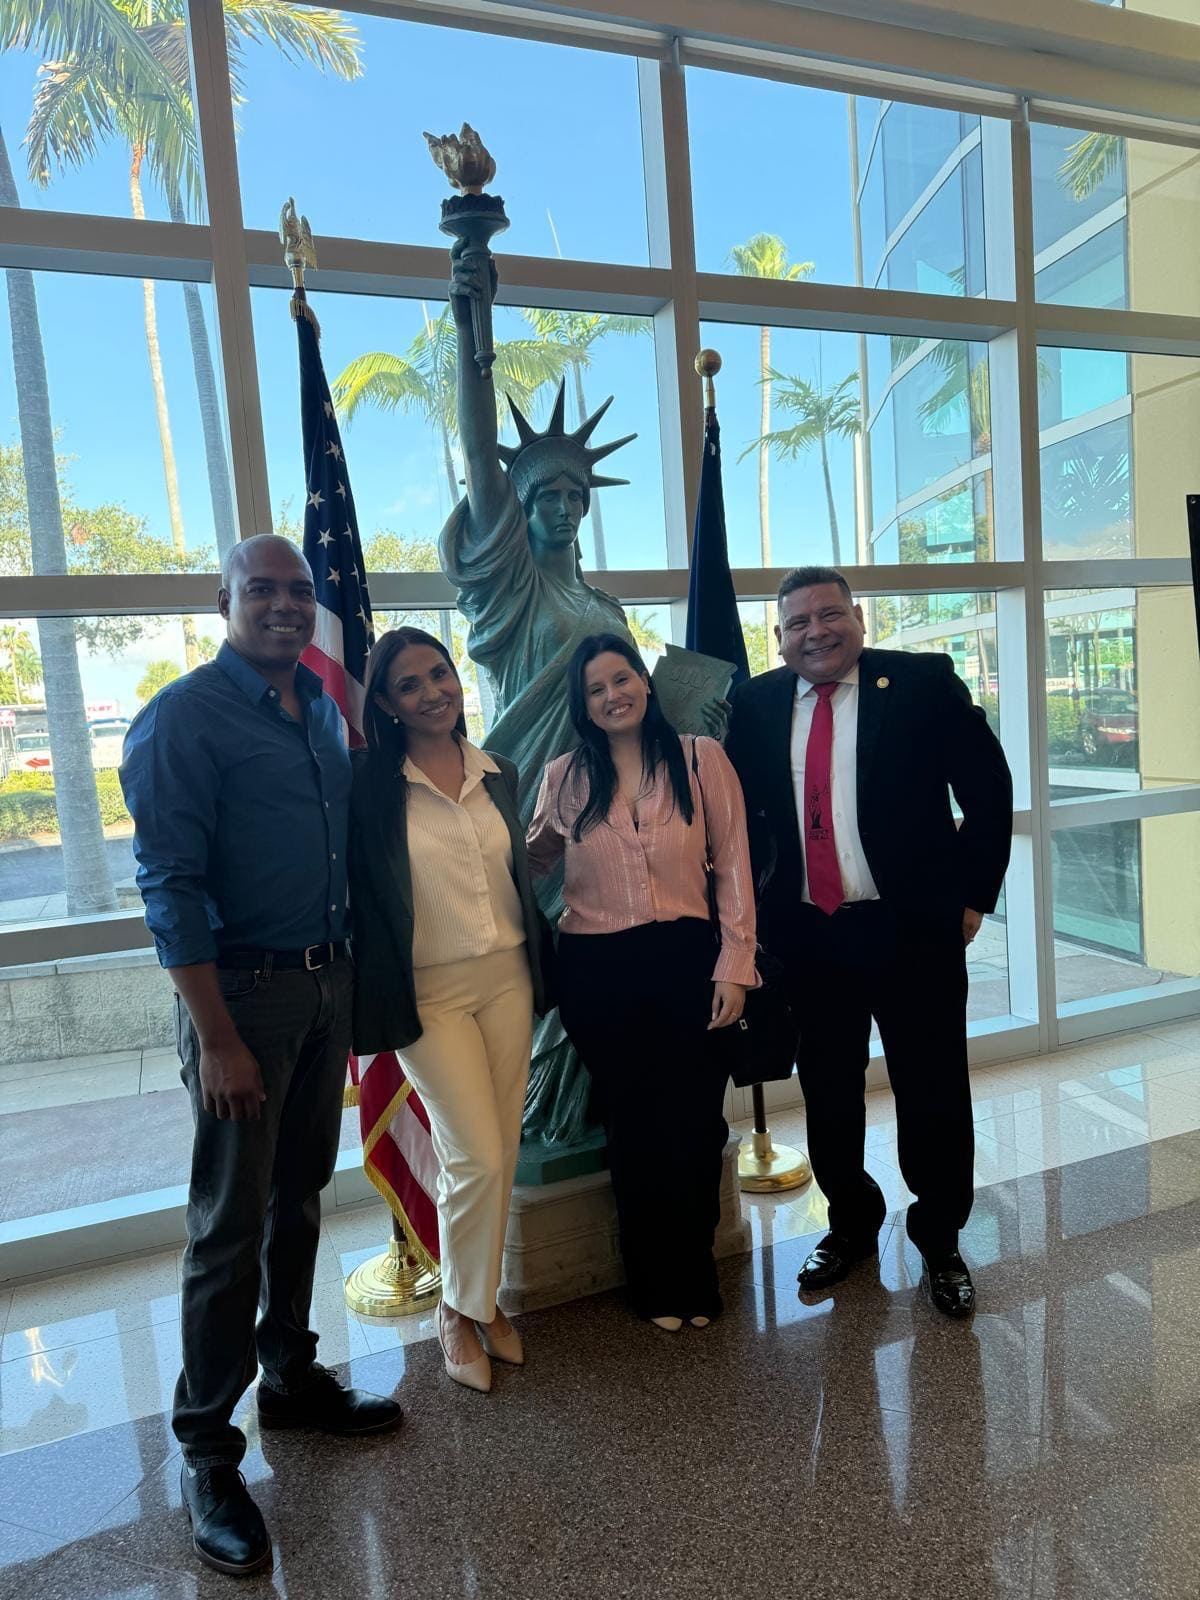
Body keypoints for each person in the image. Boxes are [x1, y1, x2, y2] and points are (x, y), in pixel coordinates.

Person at [119, 535, 401, 1580]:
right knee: (226, 1229)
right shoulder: (182, 719)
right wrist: (218, 1039)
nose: (284, 604)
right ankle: (207, 1450)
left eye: (298, 590)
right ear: (224, 599)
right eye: (262, 589)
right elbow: (170, 887)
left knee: (300, 1199)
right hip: (241, 1001)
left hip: (327, 988)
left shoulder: (321, 709)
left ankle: (290, 1376)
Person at [725, 567, 1013, 1318]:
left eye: (830, 615)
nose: (816, 632)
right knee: (827, 1088)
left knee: (932, 1088)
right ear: (779, 636)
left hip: (911, 929)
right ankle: (850, 1222)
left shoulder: (921, 684)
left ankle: (940, 1236)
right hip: (809, 935)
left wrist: (972, 898)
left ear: (858, 617)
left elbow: (988, 791)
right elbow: (735, 817)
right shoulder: (755, 705)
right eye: (798, 623)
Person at [526, 634, 757, 1329]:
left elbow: (735, 866)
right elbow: (531, 862)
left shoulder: (700, 758)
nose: (612, 696)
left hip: (689, 959)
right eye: (595, 689)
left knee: (696, 1122)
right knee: (634, 1128)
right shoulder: (564, 776)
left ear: (645, 682)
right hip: (598, 970)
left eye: (621, 679)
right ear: (583, 705)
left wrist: (735, 966)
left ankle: (694, 1271)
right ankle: (653, 1282)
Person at [348, 627, 553, 1394]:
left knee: (498, 1148)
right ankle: (458, 1312)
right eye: (409, 684)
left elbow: (515, 869)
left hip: (509, 979)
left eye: (440, 673)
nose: (434, 691)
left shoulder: (500, 772)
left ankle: (481, 1301)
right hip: (426, 993)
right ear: (386, 704)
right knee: (477, 1156)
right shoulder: (368, 786)